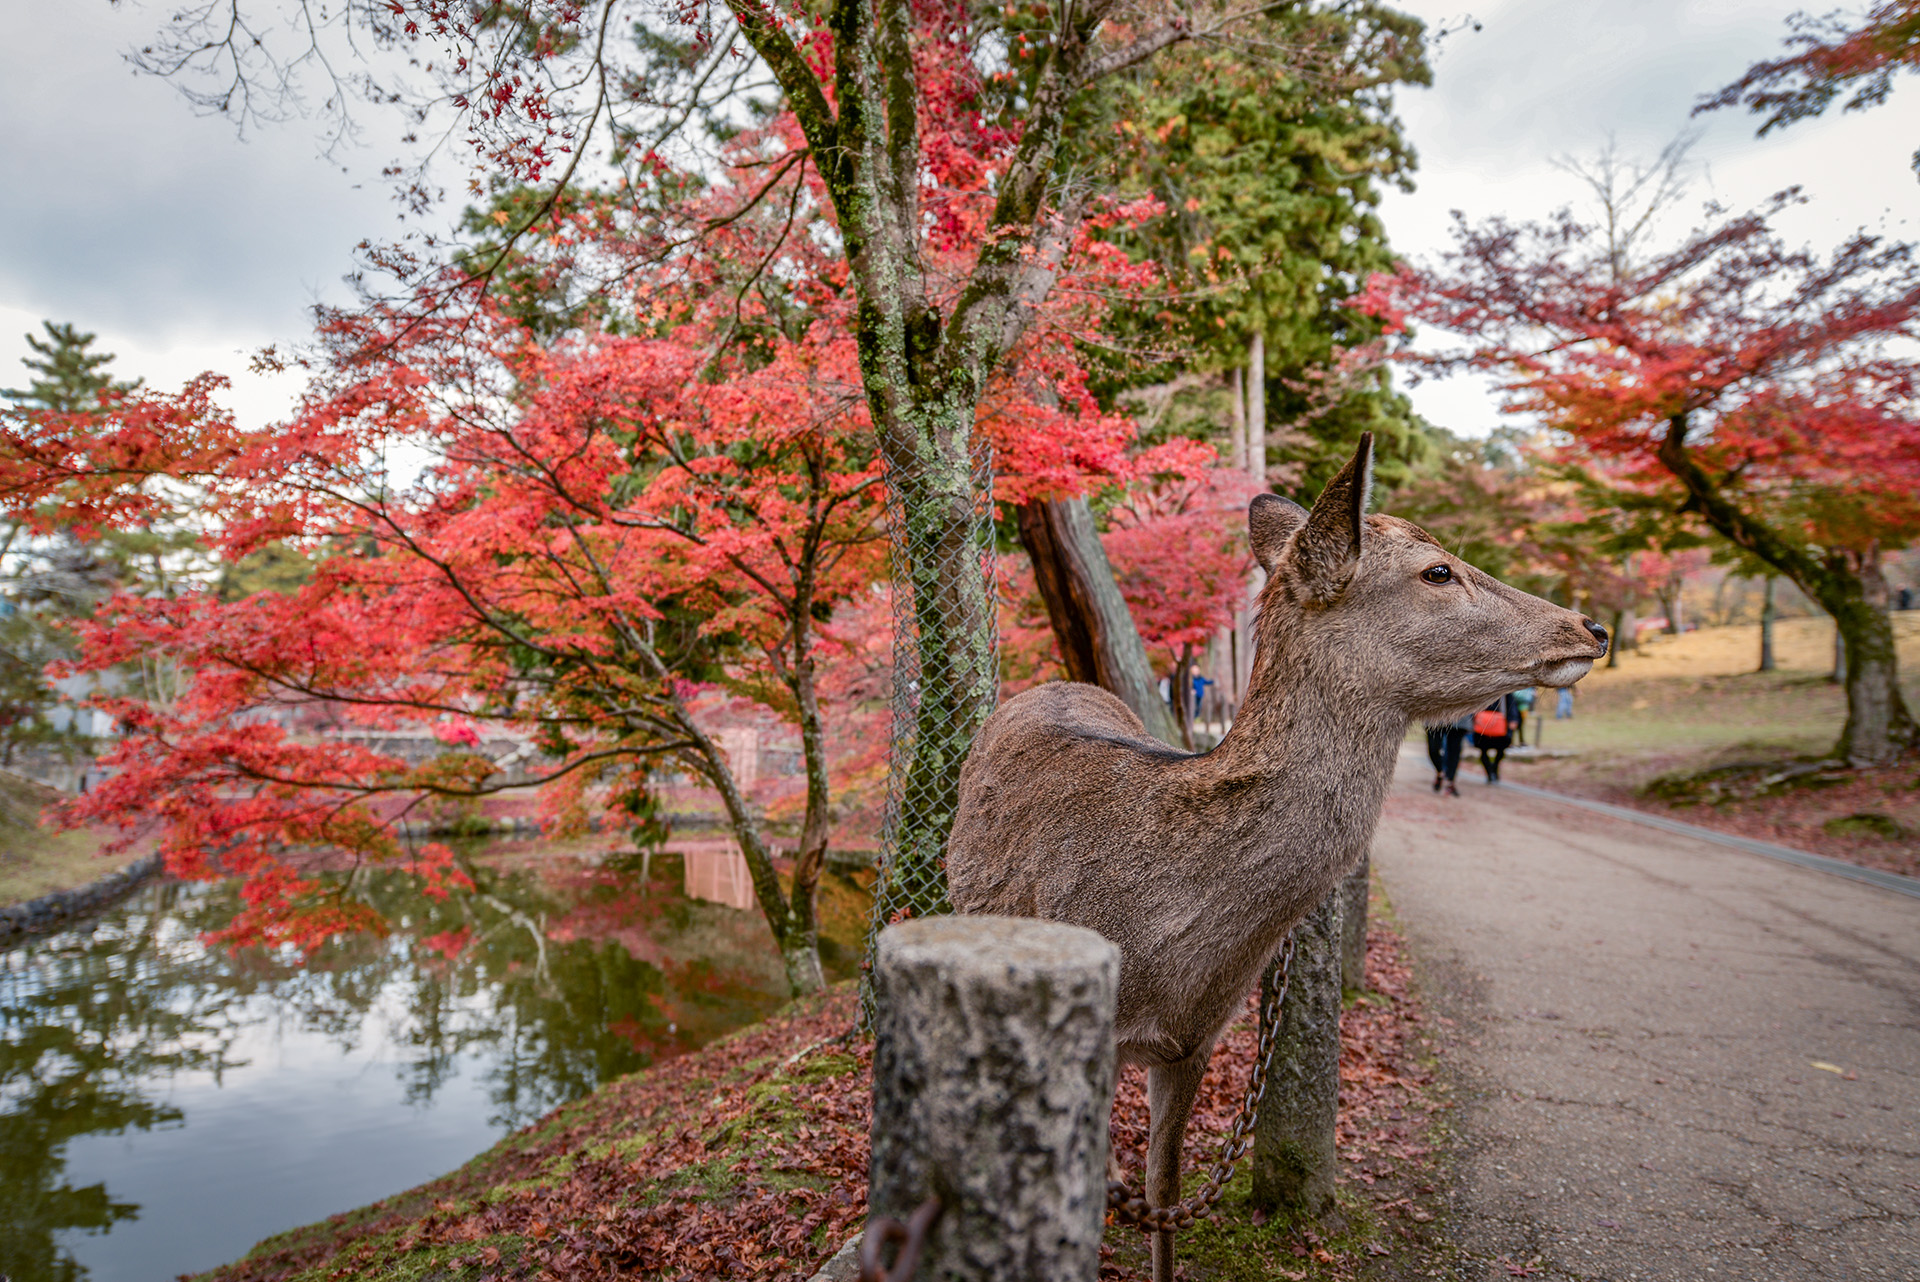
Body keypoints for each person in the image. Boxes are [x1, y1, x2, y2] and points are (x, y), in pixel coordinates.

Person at [1472, 692, 1521, 784]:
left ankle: (1494, 768)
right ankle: (1490, 772)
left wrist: (1513, 719)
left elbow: (1511, 704)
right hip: (1483, 725)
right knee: (1483, 750)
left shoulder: (1506, 692)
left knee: (1501, 750)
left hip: (1500, 725)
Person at [1425, 713, 1471, 797]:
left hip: (1459, 714)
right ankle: (1440, 772)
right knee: (1433, 749)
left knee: (1454, 751)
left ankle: (1450, 781)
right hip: (1435, 713)